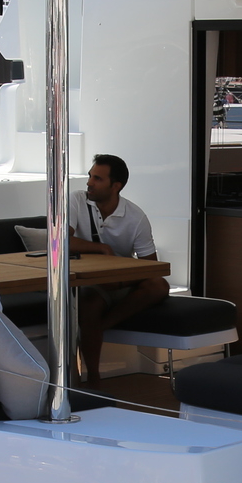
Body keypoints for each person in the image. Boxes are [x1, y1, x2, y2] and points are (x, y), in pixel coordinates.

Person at [69, 154, 166, 382]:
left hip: (121, 281)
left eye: (97, 179)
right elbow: (61, 240)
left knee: (160, 286)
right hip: (87, 279)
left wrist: (120, 280)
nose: (89, 183)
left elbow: (151, 267)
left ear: (116, 186)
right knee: (90, 301)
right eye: (90, 176)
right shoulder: (76, 200)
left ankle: (98, 327)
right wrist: (101, 248)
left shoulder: (135, 217)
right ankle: (94, 378)